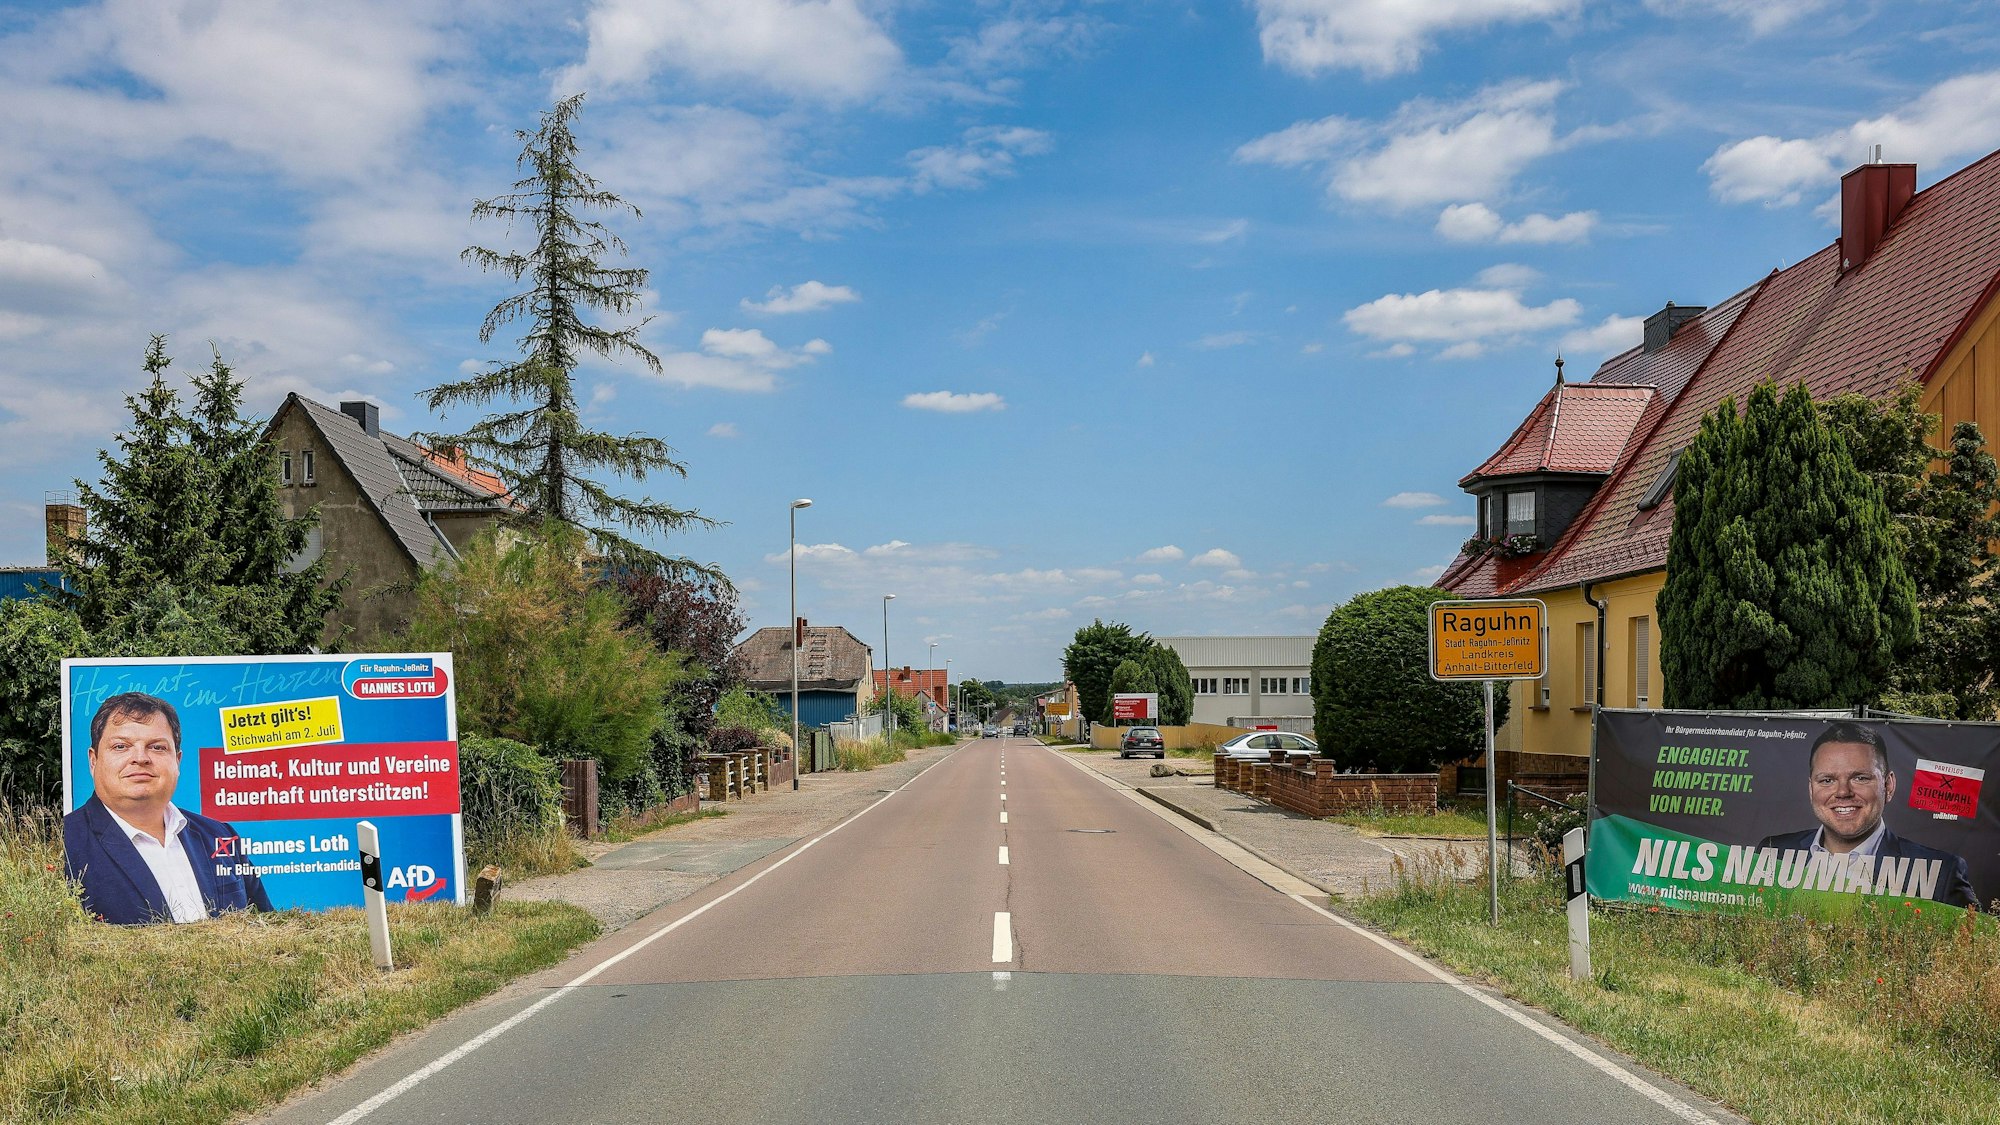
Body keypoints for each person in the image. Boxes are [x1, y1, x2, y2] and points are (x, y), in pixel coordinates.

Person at [63, 692, 273, 925]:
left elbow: (267, 929)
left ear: (178, 760)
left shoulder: (219, 835)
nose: (140, 758)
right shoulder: (61, 844)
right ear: (94, 760)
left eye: (157, 747)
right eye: (121, 746)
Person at [1757, 722, 1976, 909]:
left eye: (1860, 778)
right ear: (1811, 789)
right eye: (1827, 780)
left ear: (1888, 786)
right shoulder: (1771, 853)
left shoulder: (1940, 873)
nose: (1843, 792)